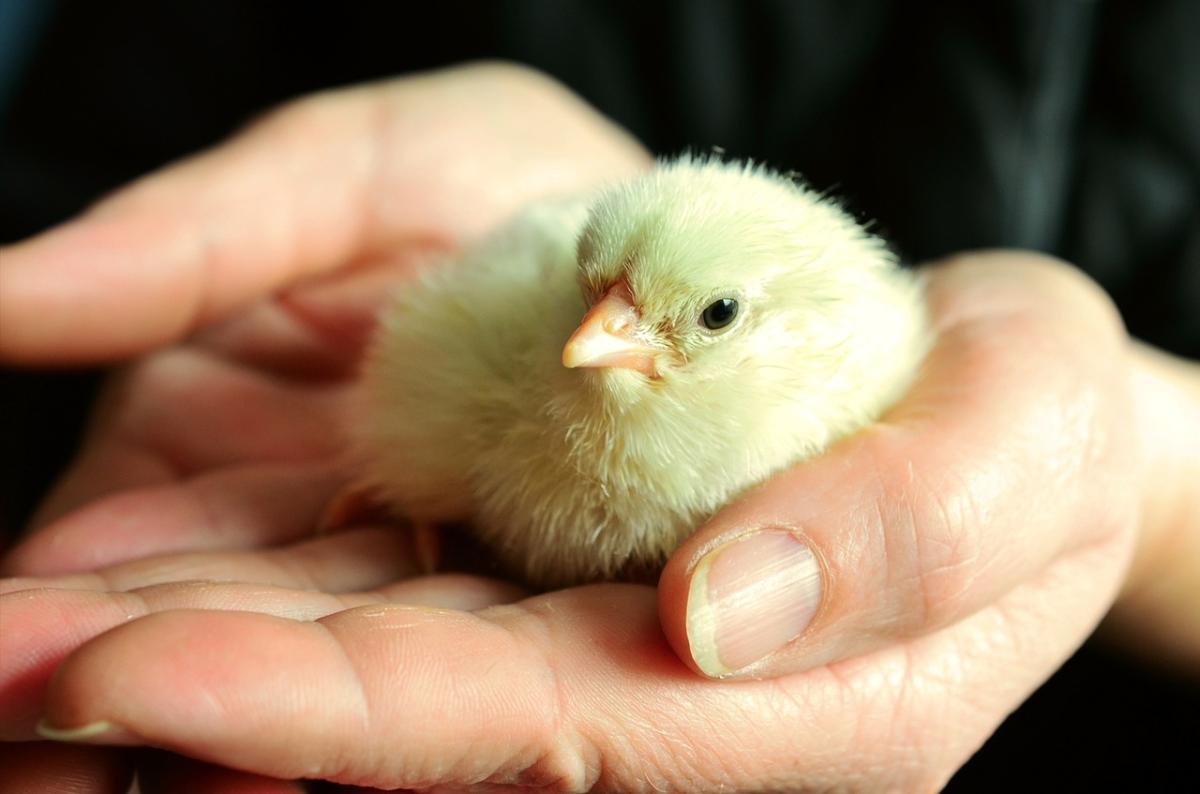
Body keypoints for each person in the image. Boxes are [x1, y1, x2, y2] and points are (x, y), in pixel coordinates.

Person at [1, 6, 1197, 793]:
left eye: (708, 318)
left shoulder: (853, 375)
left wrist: (1140, 483)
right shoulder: (526, 342)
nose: (600, 333)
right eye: (603, 295)